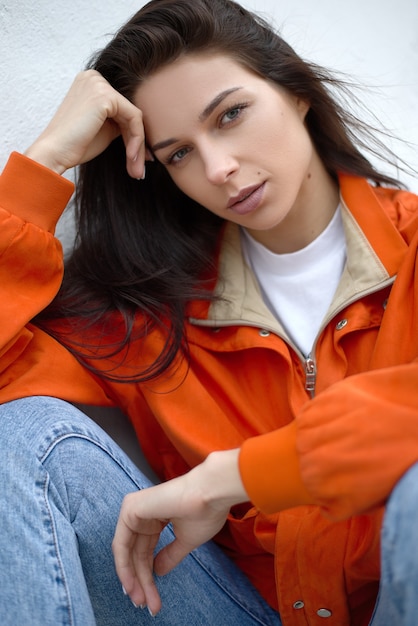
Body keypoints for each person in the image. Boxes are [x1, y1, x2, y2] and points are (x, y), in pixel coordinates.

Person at [0, 0, 417, 624]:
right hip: (234, 609)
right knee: (23, 432)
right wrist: (45, 163)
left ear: (295, 89)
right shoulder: (146, 315)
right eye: (178, 155)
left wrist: (237, 475)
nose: (219, 169)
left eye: (231, 115)